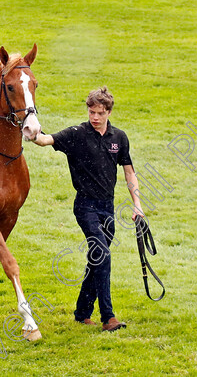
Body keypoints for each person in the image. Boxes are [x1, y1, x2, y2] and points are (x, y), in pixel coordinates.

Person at [30, 86, 144, 332]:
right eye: (91, 111)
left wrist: (138, 205)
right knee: (102, 254)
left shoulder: (119, 138)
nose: (94, 117)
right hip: (85, 206)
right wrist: (33, 131)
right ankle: (108, 317)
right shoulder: (77, 134)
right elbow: (45, 140)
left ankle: (82, 312)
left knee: (96, 261)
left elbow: (129, 172)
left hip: (107, 208)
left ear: (109, 112)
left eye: (100, 113)